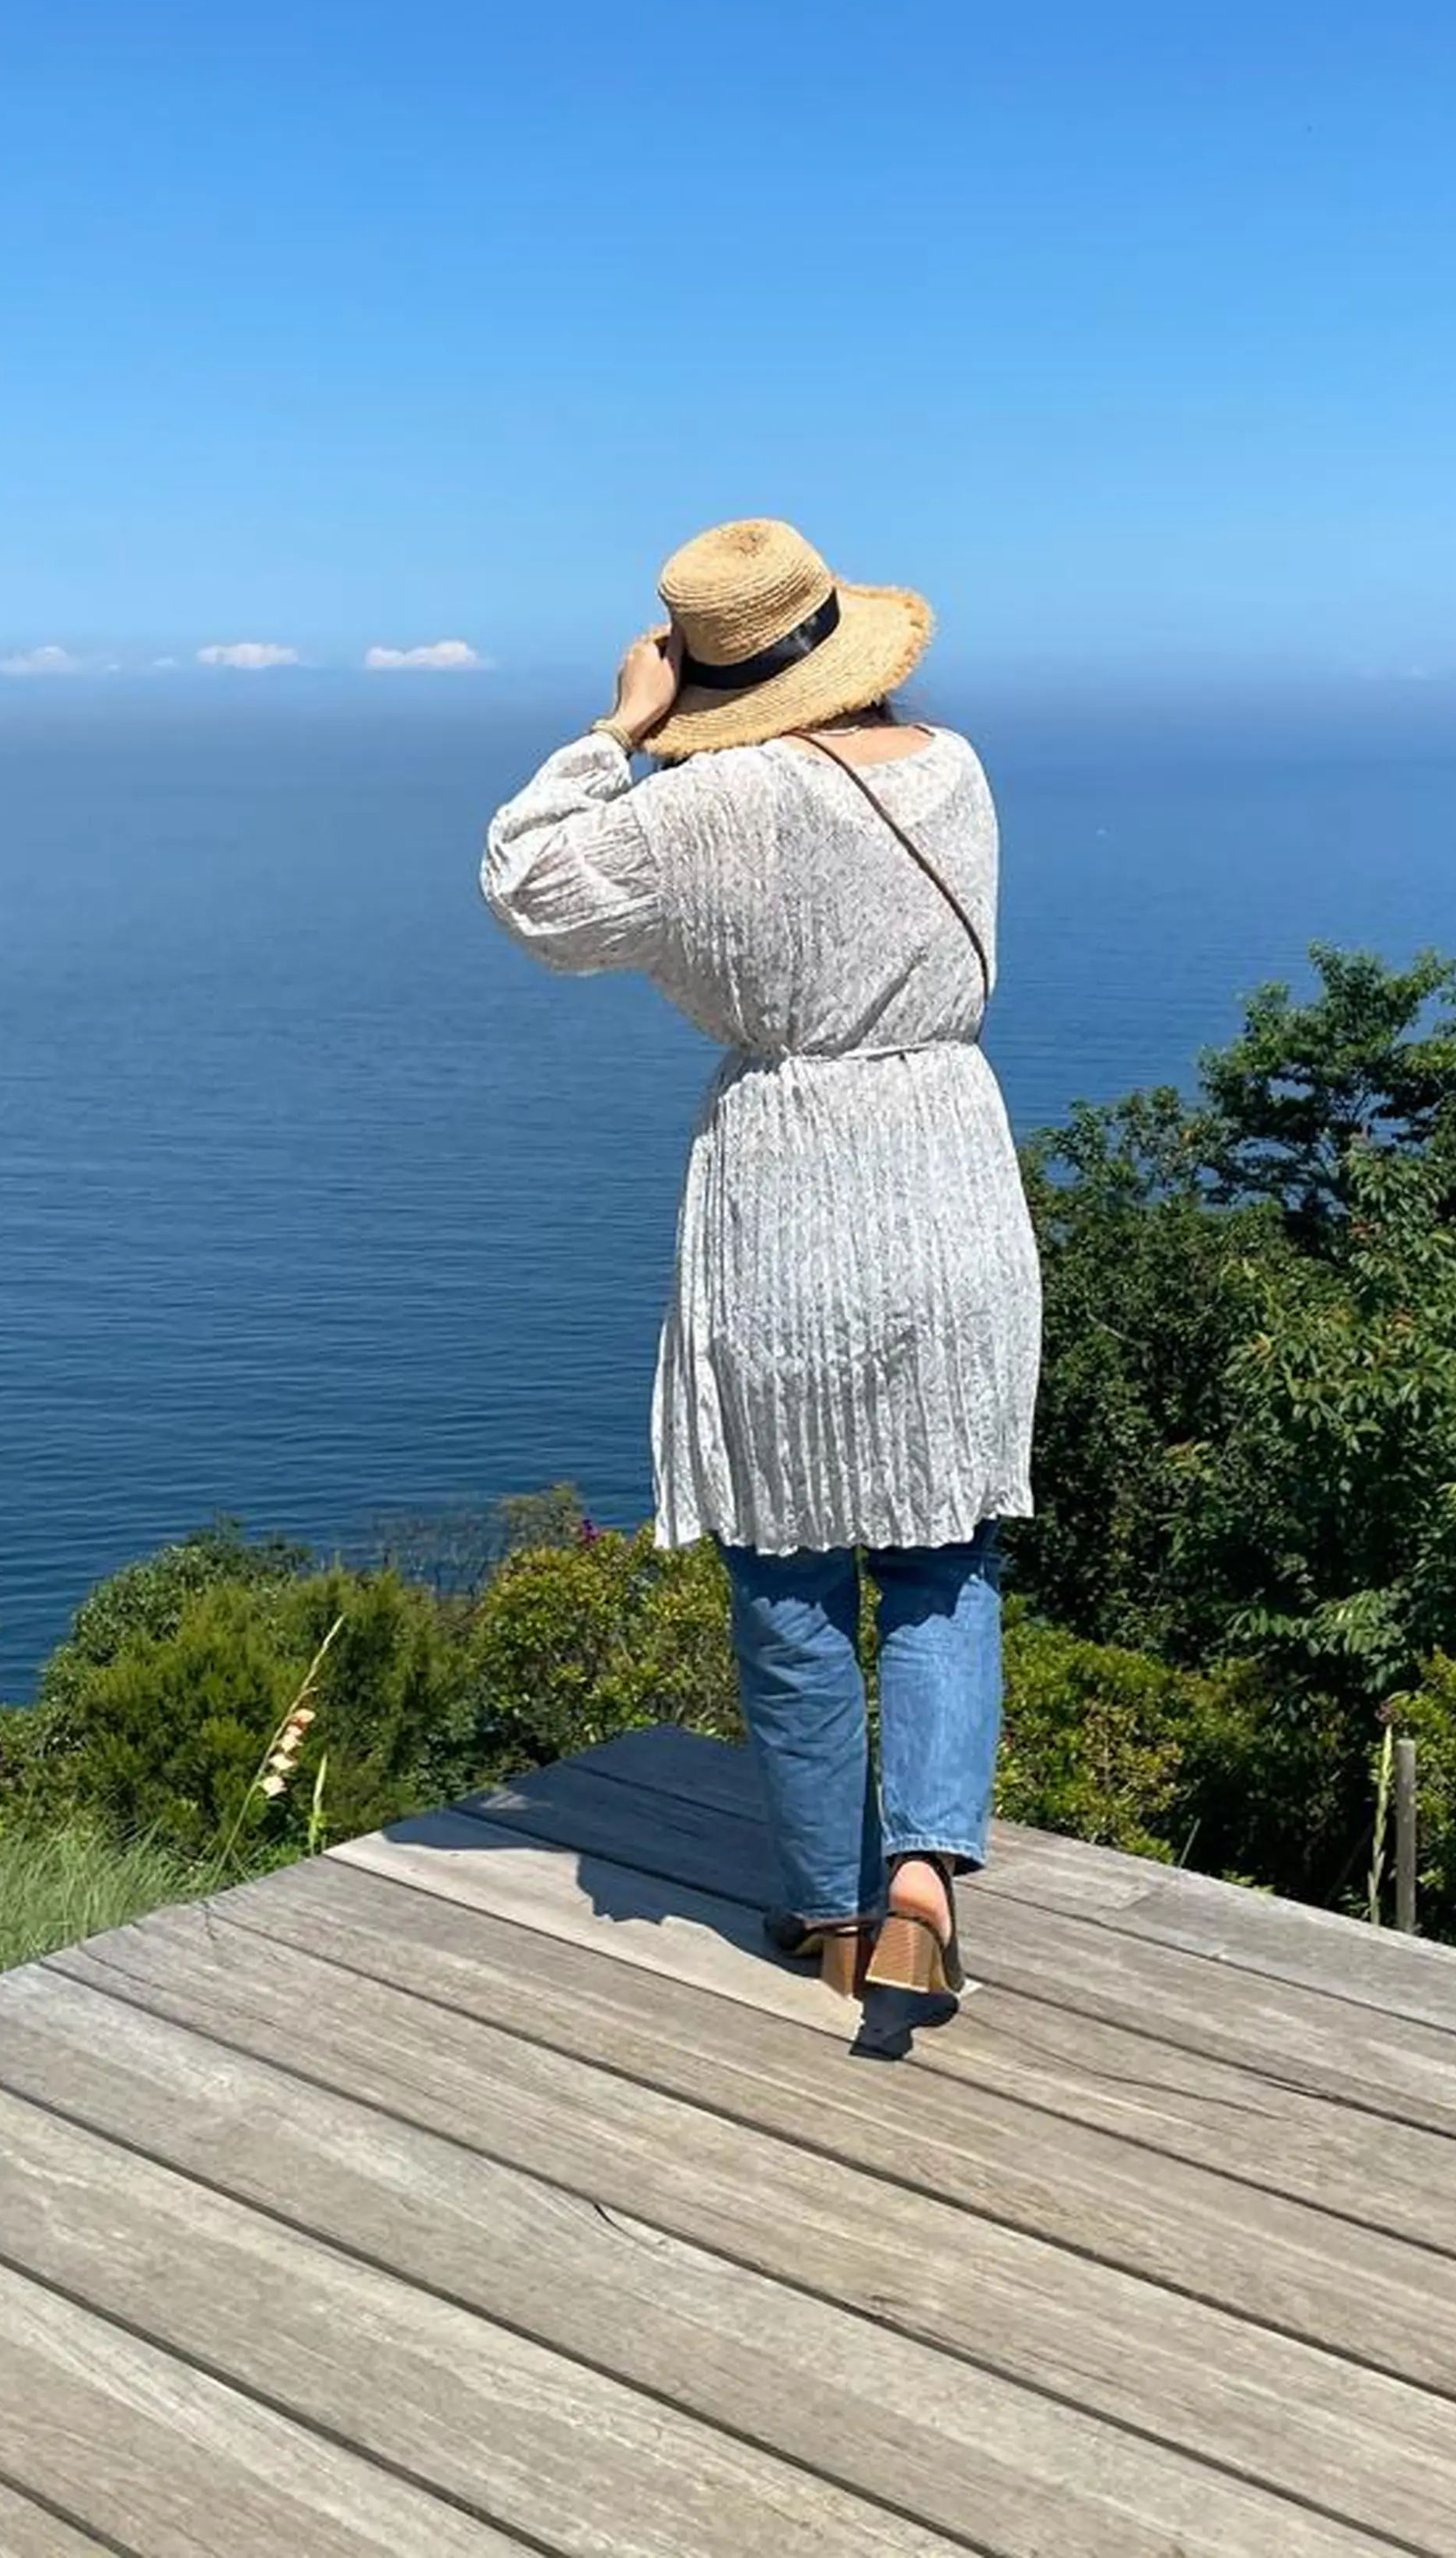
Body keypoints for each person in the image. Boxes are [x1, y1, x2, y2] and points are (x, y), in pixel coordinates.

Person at [481, 517, 1041, 2019]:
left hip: (789, 1188)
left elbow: (528, 885)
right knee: (943, 1548)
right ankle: (928, 1870)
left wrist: (617, 731)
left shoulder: (698, 809)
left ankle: (832, 1910)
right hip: (948, 1173)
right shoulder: (958, 768)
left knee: (788, 1568)